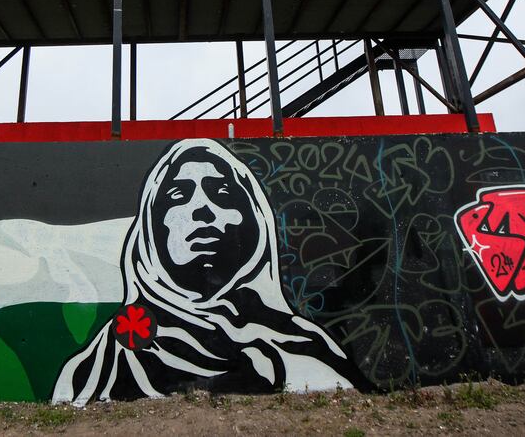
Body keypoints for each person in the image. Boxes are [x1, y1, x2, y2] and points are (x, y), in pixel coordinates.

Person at [53, 139, 359, 404]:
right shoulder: (104, 362)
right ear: (150, 227)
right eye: (178, 195)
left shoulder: (303, 347)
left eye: (222, 192)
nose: (202, 208)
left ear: (254, 218)